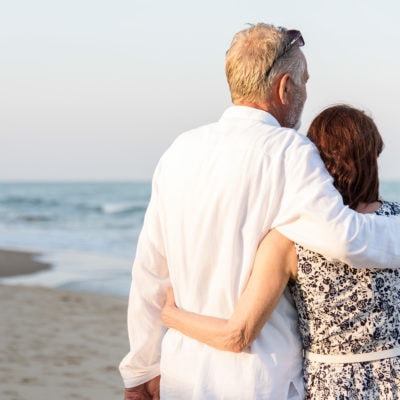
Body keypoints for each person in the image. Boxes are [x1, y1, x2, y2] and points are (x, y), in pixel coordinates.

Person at [119, 23, 400, 400]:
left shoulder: (179, 151)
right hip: (259, 378)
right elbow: (345, 238)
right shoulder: (289, 152)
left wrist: (141, 368)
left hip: (183, 374)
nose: (305, 93)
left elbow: (151, 270)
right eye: (304, 82)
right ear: (285, 88)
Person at [162, 105, 400, 399]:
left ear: (315, 160)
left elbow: (237, 335)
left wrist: (171, 316)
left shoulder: (288, 238)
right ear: (372, 159)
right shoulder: (394, 223)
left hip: (330, 388)